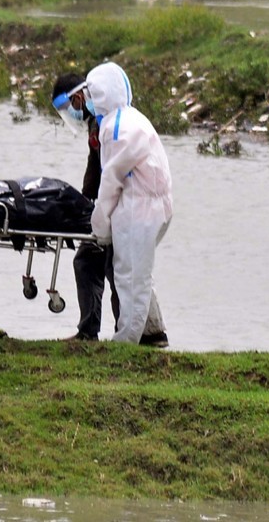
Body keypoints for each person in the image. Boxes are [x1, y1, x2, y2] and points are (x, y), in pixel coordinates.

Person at [52, 73, 169, 347]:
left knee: (121, 269)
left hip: (129, 207)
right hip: (116, 205)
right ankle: (92, 332)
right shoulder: (104, 123)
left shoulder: (113, 125)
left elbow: (110, 176)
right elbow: (97, 171)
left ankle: (139, 337)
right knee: (92, 262)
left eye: (71, 105)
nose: (73, 112)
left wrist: (100, 218)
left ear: (79, 97)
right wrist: (86, 204)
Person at [84, 61, 173, 344]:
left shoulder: (115, 126)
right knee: (139, 273)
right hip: (155, 205)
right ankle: (151, 332)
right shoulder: (133, 118)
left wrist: (99, 224)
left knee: (130, 278)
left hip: (140, 209)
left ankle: (127, 342)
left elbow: (111, 180)